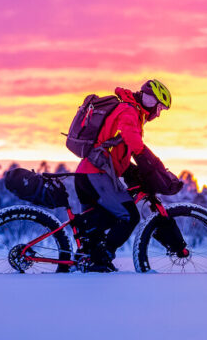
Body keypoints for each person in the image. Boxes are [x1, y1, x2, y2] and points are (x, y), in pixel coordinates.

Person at [74, 79, 177, 272]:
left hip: (88, 174)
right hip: (96, 174)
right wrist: (152, 163)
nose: (159, 113)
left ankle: (89, 261)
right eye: (160, 107)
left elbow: (117, 148)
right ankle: (102, 256)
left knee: (98, 224)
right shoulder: (130, 111)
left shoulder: (130, 110)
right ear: (150, 100)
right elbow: (133, 140)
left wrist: (131, 171)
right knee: (129, 216)